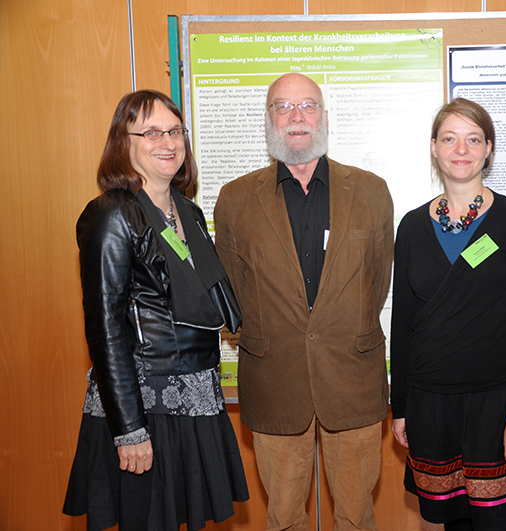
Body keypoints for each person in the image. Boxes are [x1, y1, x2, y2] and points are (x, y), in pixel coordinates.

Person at [213, 73, 393, 531]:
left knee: (357, 515)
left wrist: (339, 327)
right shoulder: (235, 200)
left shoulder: (371, 192)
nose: (297, 116)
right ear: (268, 120)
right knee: (284, 515)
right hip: (276, 380)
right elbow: (232, 289)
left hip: (351, 377)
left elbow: (377, 282)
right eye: (283, 106)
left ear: (325, 117)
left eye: (308, 105)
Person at [62, 90, 249, 531]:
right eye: (151, 132)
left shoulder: (188, 212)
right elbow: (105, 329)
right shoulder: (111, 215)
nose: (168, 142)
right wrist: (129, 429)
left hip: (197, 397)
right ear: (122, 143)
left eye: (175, 131)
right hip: (146, 406)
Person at [390, 98, 506, 531]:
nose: (460, 149)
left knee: (496, 524)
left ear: (488, 149)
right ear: (433, 147)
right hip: (432, 405)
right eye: (449, 139)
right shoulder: (410, 227)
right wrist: (400, 407)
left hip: (497, 404)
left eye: (472, 139)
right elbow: (403, 324)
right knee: (453, 525)